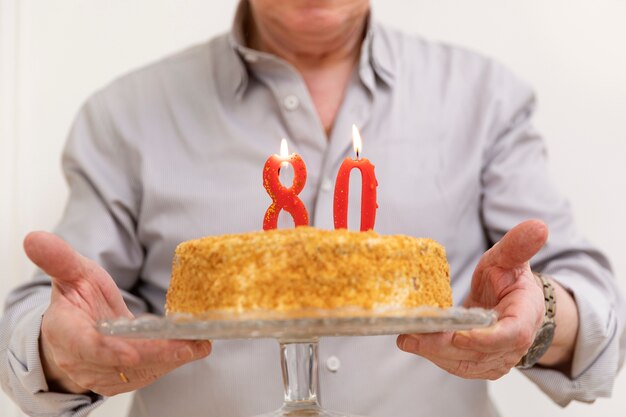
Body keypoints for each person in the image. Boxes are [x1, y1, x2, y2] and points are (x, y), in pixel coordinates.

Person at [1, 1, 625, 416]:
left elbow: (597, 316)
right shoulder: (125, 115)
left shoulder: (486, 98)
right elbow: (41, 318)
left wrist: (541, 318)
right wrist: (60, 353)